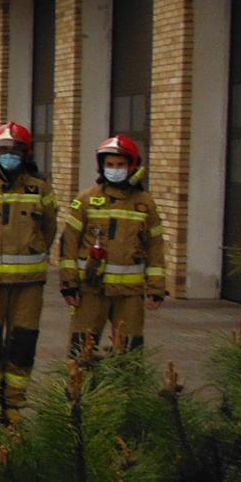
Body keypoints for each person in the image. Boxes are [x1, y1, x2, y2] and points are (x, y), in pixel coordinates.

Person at [0, 122, 59, 422]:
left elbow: (49, 228)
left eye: (14, 150)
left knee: (23, 343)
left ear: (25, 153)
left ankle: (14, 402)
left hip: (29, 284)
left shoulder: (41, 187)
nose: (8, 155)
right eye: (2, 150)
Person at [59, 134, 166, 355]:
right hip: (91, 289)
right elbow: (69, 243)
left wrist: (156, 288)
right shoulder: (86, 200)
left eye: (120, 165)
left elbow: (155, 247)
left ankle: (126, 380)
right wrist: (69, 284)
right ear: (101, 166)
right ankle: (80, 380)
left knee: (129, 350)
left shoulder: (145, 203)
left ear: (132, 166)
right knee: (82, 349)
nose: (114, 169)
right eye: (109, 164)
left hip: (130, 294)